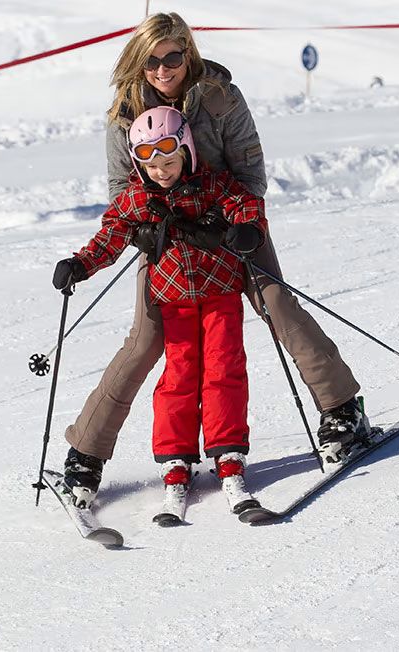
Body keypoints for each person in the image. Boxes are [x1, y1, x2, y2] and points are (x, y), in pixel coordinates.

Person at [61, 12, 363, 506]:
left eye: (173, 57)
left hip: (231, 223)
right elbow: (121, 192)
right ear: (139, 61)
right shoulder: (123, 113)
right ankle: (86, 453)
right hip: (168, 238)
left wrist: (238, 225)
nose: (164, 69)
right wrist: (150, 228)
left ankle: (343, 409)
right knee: (146, 338)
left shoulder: (220, 96)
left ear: (188, 52)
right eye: (152, 60)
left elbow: (250, 168)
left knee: (276, 306)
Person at [54, 106, 268, 508]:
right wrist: (80, 264)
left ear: (185, 151)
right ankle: (175, 457)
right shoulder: (138, 198)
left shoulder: (212, 184)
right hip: (173, 301)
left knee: (224, 367)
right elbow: (111, 235)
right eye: (152, 165)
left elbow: (245, 203)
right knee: (179, 375)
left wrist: (247, 229)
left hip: (221, 291)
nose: (162, 172)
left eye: (169, 161)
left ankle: (228, 451)